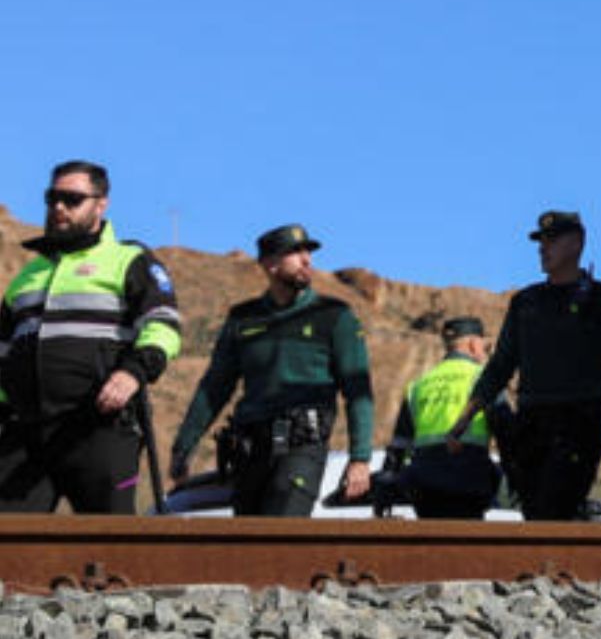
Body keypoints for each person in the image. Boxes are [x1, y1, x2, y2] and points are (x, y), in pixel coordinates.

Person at [0, 161, 183, 513]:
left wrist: (133, 372)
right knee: (9, 547)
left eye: (72, 199)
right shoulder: (28, 274)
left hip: (100, 428)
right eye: (52, 197)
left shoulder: (129, 259)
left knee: (109, 544)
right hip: (27, 434)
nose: (58, 207)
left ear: (101, 204)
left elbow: (163, 324)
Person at [447, 211, 601, 521]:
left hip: (581, 421)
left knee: (556, 507)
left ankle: (559, 557)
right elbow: (500, 367)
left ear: (577, 243)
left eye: (552, 240)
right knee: (536, 513)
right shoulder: (526, 302)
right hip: (531, 423)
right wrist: (464, 420)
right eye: (540, 241)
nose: (543, 248)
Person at [169, 223, 375, 516]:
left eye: (308, 252)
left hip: (302, 446)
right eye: (295, 252)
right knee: (249, 545)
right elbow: (214, 387)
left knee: (283, 538)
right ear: (270, 264)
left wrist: (360, 459)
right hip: (249, 452)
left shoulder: (334, 316)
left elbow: (358, 393)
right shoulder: (243, 319)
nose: (307, 260)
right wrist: (183, 446)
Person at [384, 315, 501, 519]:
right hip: (471, 480)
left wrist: (387, 484)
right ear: (474, 344)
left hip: (423, 485)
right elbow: (507, 431)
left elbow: (399, 445)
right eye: (485, 345)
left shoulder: (418, 385)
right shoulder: (484, 379)